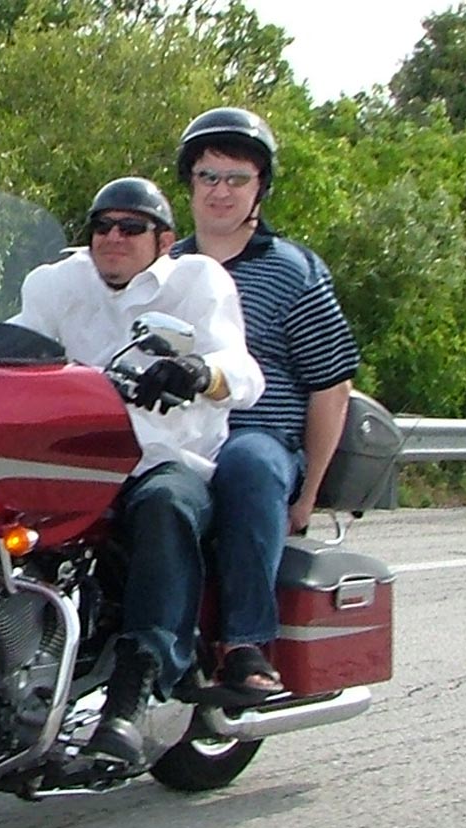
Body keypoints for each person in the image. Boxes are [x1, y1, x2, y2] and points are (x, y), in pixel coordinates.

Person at [12, 176, 264, 765]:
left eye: (132, 227)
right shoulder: (56, 282)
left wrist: (199, 372)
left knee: (164, 506)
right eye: (102, 225)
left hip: (163, 460)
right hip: (73, 464)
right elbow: (14, 345)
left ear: (164, 240)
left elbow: (243, 370)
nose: (114, 237)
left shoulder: (197, 281)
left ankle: (134, 692)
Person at [170, 107, 361, 700]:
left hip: (260, 439)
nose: (220, 191)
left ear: (260, 188)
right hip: (175, 436)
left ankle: (244, 644)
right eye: (208, 176)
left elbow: (331, 386)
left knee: (248, 464)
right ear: (189, 183)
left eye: (237, 178)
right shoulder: (165, 270)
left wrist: (306, 495)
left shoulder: (293, 272)